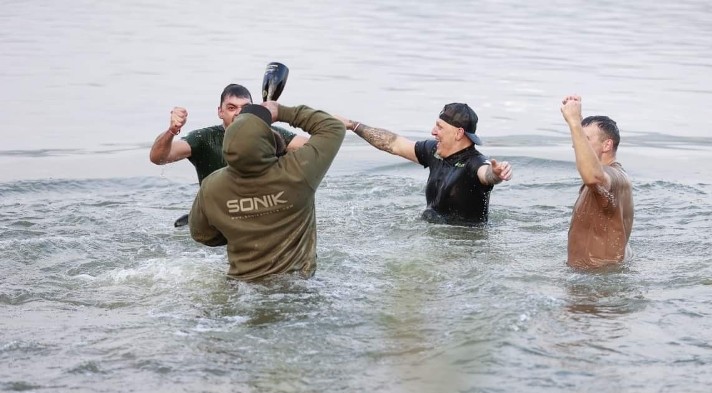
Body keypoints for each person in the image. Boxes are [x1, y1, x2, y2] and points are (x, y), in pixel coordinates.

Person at [188, 102, 344, 280]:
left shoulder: (211, 186)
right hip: (296, 287)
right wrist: (281, 111)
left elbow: (201, 234)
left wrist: (238, 225)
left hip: (241, 287)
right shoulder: (298, 172)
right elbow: (333, 127)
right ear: (268, 144)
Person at [149, 83, 309, 227]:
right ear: (220, 112)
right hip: (218, 219)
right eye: (232, 108)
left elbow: (315, 148)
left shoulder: (272, 135)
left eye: (245, 108)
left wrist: (282, 114)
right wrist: (172, 130)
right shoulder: (204, 139)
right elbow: (158, 157)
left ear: (254, 110)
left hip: (260, 215)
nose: (239, 114)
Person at [338, 103, 512, 225]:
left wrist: (495, 174)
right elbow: (393, 143)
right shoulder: (434, 152)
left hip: (464, 247)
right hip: (434, 235)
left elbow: (486, 174)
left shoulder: (475, 163)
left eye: (440, 127)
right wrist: (353, 125)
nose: (433, 131)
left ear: (459, 133)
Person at [560, 95, 634, 269]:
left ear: (607, 145)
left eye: (585, 139)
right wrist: (577, 123)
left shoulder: (613, 177)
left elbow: (595, 177)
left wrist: (573, 123)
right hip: (589, 276)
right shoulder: (608, 179)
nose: (574, 145)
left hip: (598, 284)